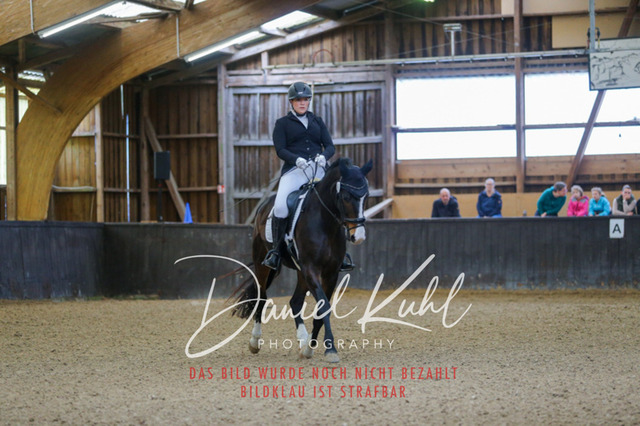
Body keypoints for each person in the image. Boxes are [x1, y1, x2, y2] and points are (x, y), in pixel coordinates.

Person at [262, 82, 336, 270]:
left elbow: (330, 146)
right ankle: (276, 252)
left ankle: (340, 252)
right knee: (280, 207)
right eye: (298, 100)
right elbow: (280, 149)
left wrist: (324, 156)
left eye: (305, 100)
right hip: (294, 171)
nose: (302, 103)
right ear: (291, 102)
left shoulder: (317, 121)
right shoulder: (282, 123)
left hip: (318, 169)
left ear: (309, 101)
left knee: (336, 201)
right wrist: (296, 160)